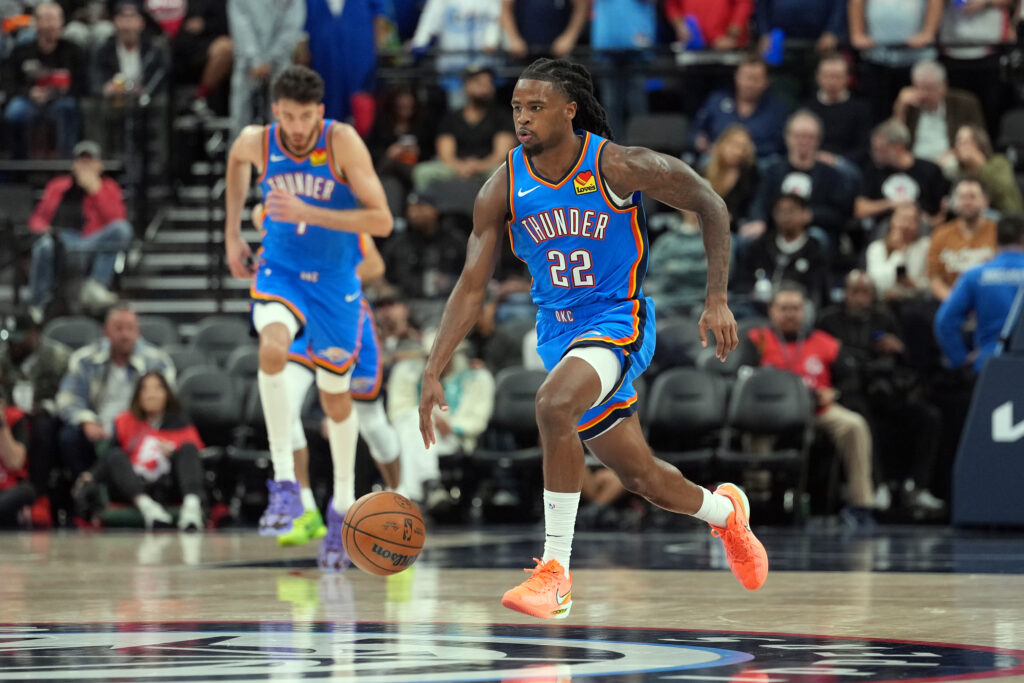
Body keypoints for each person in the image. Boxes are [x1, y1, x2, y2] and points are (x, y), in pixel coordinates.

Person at [418, 57, 768, 621]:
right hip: (559, 334)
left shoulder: (619, 166)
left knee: (552, 403)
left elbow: (711, 203)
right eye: (517, 107)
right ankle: (727, 515)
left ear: (569, 110)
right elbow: (471, 284)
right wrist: (433, 367)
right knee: (641, 476)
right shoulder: (502, 186)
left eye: (536, 107)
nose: (523, 118)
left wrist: (717, 298)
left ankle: (555, 573)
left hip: (618, 320)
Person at [223, 66, 393, 571]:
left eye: (305, 117)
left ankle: (342, 504)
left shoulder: (342, 143)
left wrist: (308, 211)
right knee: (272, 347)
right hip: (281, 272)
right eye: (289, 117)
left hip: (336, 282)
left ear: (319, 112)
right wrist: (232, 234)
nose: (297, 127)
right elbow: (236, 162)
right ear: (277, 111)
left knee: (336, 398)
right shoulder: (257, 141)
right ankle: (284, 486)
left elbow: (382, 220)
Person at [250, 203, 402, 547]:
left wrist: (324, 268)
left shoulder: (341, 214)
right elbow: (261, 215)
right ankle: (305, 508)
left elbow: (375, 266)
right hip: (302, 317)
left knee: (372, 420)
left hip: (344, 315)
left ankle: (401, 495)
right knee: (284, 406)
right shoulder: (280, 208)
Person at [749, 284, 876, 528]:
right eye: (784, 308)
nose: (790, 314)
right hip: (770, 413)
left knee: (854, 425)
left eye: (796, 308)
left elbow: (850, 379)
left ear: (805, 311)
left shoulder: (825, 342)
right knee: (753, 429)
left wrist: (834, 393)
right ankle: (758, 501)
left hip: (816, 409)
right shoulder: (758, 340)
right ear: (772, 311)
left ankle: (861, 504)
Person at [817, 271, 944, 515]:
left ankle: (916, 487)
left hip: (884, 388)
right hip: (849, 390)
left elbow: (903, 361)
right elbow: (832, 358)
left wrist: (899, 349)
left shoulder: (884, 318)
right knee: (861, 414)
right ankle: (878, 486)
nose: (860, 299)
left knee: (929, 416)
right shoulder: (829, 320)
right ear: (845, 294)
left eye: (865, 292)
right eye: (855, 292)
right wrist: (867, 356)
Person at [56, 305, 175, 479]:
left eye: (130, 329)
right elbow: (67, 398)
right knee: (68, 436)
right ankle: (84, 486)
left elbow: (169, 402)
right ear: (106, 331)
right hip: (99, 427)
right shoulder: (85, 359)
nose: (125, 335)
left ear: (138, 332)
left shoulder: (157, 361)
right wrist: (87, 421)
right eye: (118, 329)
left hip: (141, 426)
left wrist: (138, 426)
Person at [76, 371, 205, 530]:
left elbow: (196, 457)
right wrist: (91, 475)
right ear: (138, 395)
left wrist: (172, 454)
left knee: (188, 448)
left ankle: (192, 510)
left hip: (168, 484)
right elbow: (109, 457)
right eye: (145, 389)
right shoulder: (125, 421)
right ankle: (148, 509)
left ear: (167, 394)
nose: (151, 395)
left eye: (157, 389)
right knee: (115, 455)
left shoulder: (181, 422)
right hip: (135, 486)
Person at [27, 140, 134, 316]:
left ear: (99, 165)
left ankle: (96, 286)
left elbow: (117, 219)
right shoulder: (57, 186)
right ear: (74, 165)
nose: (85, 166)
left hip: (93, 243)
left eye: (90, 161)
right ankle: (38, 304)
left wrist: (94, 188)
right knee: (44, 245)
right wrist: (44, 229)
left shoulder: (109, 187)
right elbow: (37, 219)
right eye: (81, 161)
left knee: (122, 230)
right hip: (65, 243)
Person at [935, 214, 1024, 373]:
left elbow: (944, 321)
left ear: (996, 240)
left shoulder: (975, 275)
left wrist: (960, 359)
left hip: (990, 364)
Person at [749, 109, 855, 241]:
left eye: (810, 137)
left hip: (813, 233)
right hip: (773, 231)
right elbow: (759, 202)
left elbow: (840, 214)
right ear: (787, 137)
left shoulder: (831, 175)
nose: (803, 141)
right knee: (749, 238)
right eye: (798, 136)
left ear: (818, 140)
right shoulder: (773, 171)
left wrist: (810, 215)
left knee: (817, 237)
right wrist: (759, 220)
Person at [411, 65, 517, 193]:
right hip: (456, 167)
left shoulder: (502, 116)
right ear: (466, 86)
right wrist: (460, 167)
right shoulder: (451, 118)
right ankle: (425, 204)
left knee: (505, 173)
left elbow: (501, 154)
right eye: (479, 83)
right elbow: (445, 154)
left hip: (488, 166)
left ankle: (503, 206)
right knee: (422, 172)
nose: (486, 88)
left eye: (489, 83)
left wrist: (478, 166)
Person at [2, 2, 84, 158]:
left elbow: (82, 83)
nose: (50, 25)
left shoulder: (73, 50)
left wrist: (55, 93)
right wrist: (29, 92)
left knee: (68, 108)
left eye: (54, 19)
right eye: (45, 19)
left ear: (62, 22)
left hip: (61, 100)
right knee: (14, 112)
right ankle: (18, 163)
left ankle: (65, 162)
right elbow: (8, 81)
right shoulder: (21, 51)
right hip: (28, 100)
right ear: (36, 22)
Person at [226, 0, 305, 136]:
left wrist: (272, 59)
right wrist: (255, 59)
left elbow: (292, 26)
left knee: (281, 114)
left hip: (280, 63)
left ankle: (279, 148)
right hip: (247, 64)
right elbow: (240, 25)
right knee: (240, 118)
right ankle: (240, 148)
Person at [737, 193, 829, 308]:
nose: (785, 216)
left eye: (791, 211)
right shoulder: (760, 246)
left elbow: (818, 290)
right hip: (759, 308)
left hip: (798, 309)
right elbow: (742, 282)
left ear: (806, 214)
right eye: (780, 211)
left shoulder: (815, 250)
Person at [692, 55, 790, 161]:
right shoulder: (716, 100)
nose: (749, 84)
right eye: (746, 77)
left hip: (760, 162)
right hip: (716, 159)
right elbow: (695, 132)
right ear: (736, 76)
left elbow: (780, 145)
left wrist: (745, 151)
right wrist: (699, 141)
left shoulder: (777, 109)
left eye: (755, 79)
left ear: (766, 82)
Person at [855, 119, 949, 229]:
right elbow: (859, 209)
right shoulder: (873, 171)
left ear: (899, 148)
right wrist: (890, 204)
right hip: (885, 231)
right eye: (874, 150)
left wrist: (926, 220)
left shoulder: (930, 170)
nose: (875, 155)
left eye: (880, 150)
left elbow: (942, 215)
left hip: (922, 230)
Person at [892, 59, 985, 164]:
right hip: (915, 162)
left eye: (928, 89)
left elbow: (978, 138)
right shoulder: (910, 105)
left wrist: (954, 153)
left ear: (943, 87)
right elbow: (894, 139)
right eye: (917, 88)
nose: (922, 94)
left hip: (949, 160)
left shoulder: (964, 104)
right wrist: (900, 108)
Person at [380, 191, 467, 299]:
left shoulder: (454, 240)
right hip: (406, 300)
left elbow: (471, 272)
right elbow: (380, 271)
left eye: (420, 208)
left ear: (434, 210)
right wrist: (385, 289)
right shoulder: (398, 242)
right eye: (411, 209)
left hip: (449, 299)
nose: (414, 214)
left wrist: (450, 282)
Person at [927, 178, 997, 301]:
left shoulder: (998, 233)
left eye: (972, 197)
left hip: (991, 302)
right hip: (951, 302)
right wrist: (956, 303)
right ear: (954, 202)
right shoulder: (940, 234)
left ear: (985, 202)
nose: (967, 202)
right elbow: (934, 279)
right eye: (962, 197)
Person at [803, 54, 872, 169]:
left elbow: (863, 149)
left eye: (837, 76)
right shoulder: (807, 109)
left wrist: (836, 161)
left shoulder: (860, 110)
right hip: (811, 162)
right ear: (818, 77)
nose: (832, 81)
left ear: (848, 78)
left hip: (846, 165)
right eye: (827, 76)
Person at [945, 124, 1023, 215]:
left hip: (1003, 213)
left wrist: (979, 164)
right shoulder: (960, 170)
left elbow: (1002, 190)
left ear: (979, 144)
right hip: (970, 217)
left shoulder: (999, 162)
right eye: (958, 142)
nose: (960, 146)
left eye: (965, 142)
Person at [865, 202, 932, 300]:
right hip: (885, 302)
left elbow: (933, 281)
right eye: (902, 219)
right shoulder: (877, 248)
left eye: (911, 220)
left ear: (918, 225)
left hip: (918, 300)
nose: (905, 225)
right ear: (892, 221)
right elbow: (876, 283)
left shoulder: (927, 246)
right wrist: (898, 252)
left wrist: (915, 284)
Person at [701, 125, 760, 233]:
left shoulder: (751, 174)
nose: (738, 152)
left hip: (732, 229)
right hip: (700, 224)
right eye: (734, 145)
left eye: (743, 148)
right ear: (722, 144)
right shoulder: (704, 170)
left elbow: (749, 210)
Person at [501, 0, 589, 60]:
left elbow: (581, 8)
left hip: (560, 53)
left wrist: (569, 37)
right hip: (524, 52)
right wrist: (514, 39)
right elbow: (505, 9)